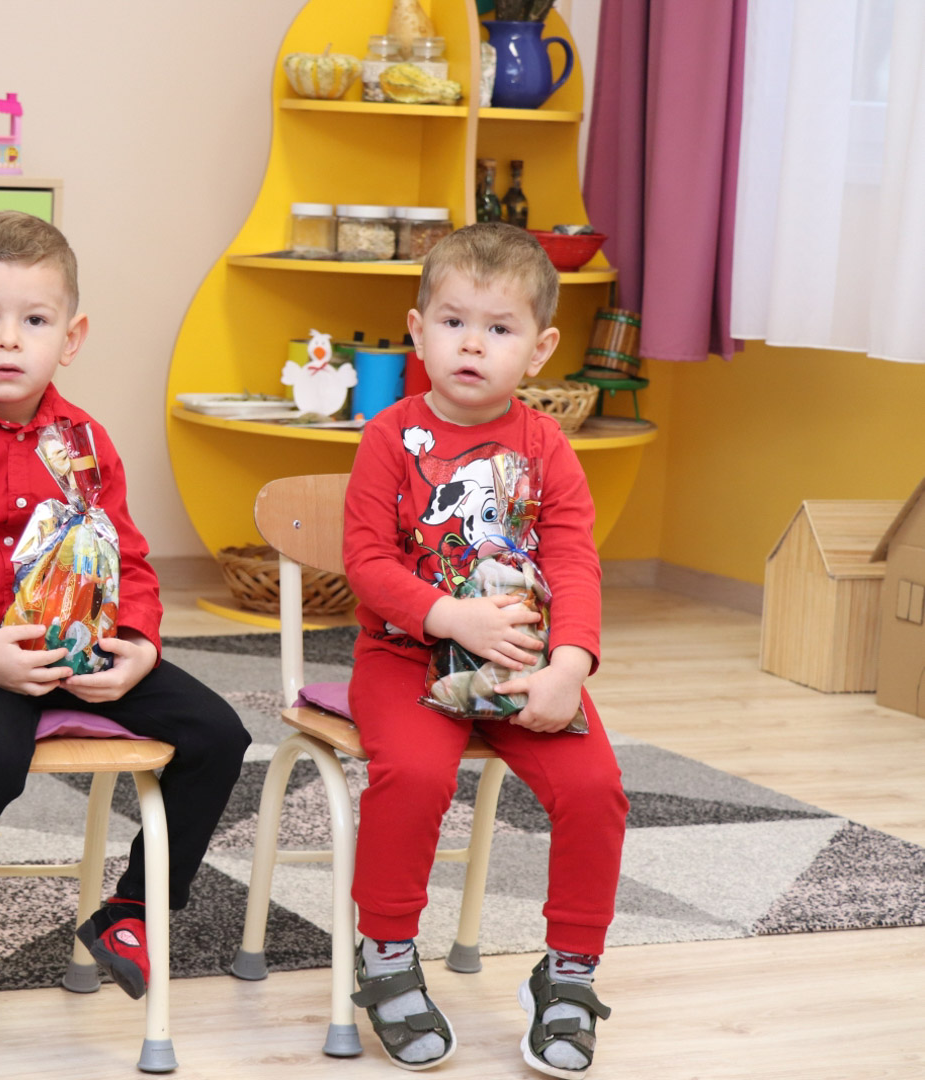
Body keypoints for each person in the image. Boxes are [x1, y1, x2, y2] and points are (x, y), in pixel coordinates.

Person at [0, 211, 251, 1057]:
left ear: (69, 338)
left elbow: (129, 558)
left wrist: (138, 645)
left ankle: (131, 911)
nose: (8, 340)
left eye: (33, 320)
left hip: (81, 644)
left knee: (219, 735)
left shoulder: (85, 441)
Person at [343, 222, 628, 1077]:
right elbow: (366, 564)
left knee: (596, 789)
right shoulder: (388, 437)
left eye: (498, 328)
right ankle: (386, 952)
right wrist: (447, 617)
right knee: (413, 775)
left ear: (538, 350)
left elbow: (573, 560)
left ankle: (568, 974)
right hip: (403, 656)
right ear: (417, 330)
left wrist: (568, 666)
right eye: (453, 322)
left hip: (519, 660)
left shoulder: (546, 447)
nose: (472, 344)